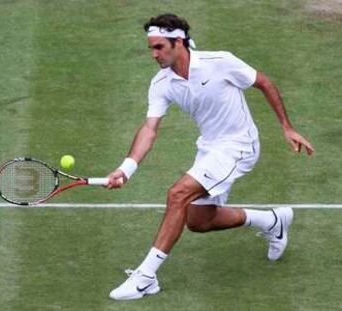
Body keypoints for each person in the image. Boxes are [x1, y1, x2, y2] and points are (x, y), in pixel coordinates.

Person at [106, 13, 315, 301]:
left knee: (177, 194)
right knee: (198, 220)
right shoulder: (161, 83)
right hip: (210, 148)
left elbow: (263, 82)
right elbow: (149, 129)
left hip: (239, 147)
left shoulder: (220, 62)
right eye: (151, 48)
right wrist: (126, 169)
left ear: (178, 42)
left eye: (159, 47)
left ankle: (145, 278)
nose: (153, 54)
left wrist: (287, 127)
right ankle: (272, 221)